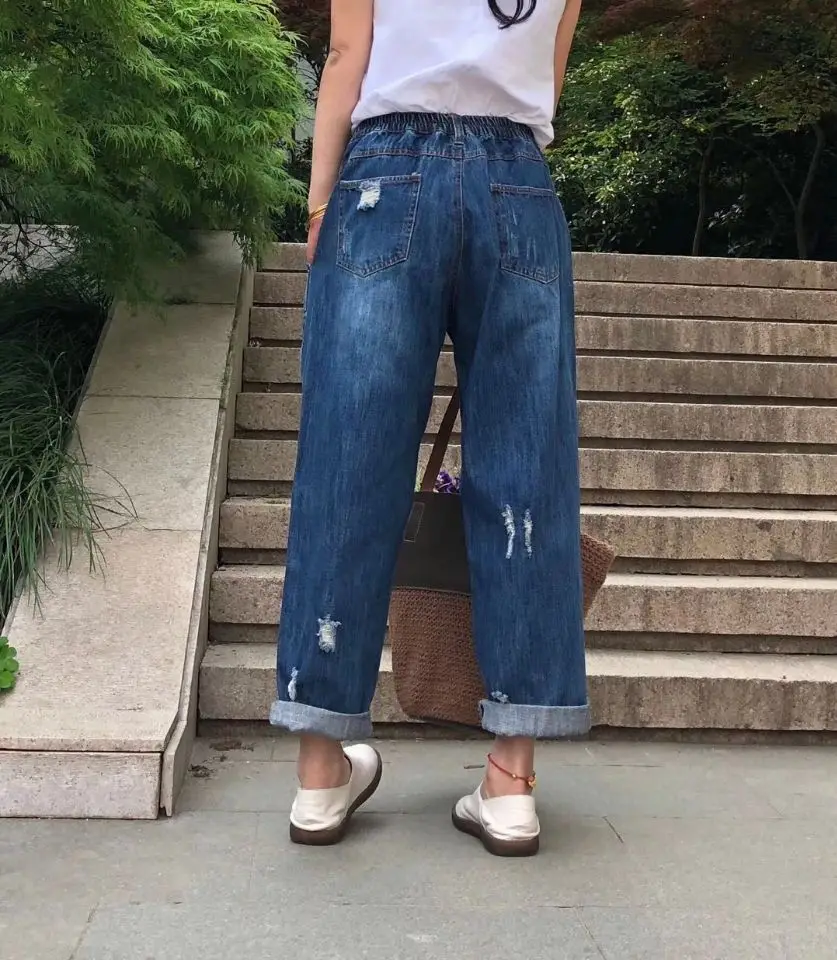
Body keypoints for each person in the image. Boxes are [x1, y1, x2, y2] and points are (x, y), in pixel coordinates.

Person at [270, 0, 587, 857]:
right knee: (527, 473)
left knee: (347, 465)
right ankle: (511, 783)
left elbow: (346, 54)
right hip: (516, 184)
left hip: (384, 179)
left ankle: (319, 774)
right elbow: (547, 78)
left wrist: (320, 204)